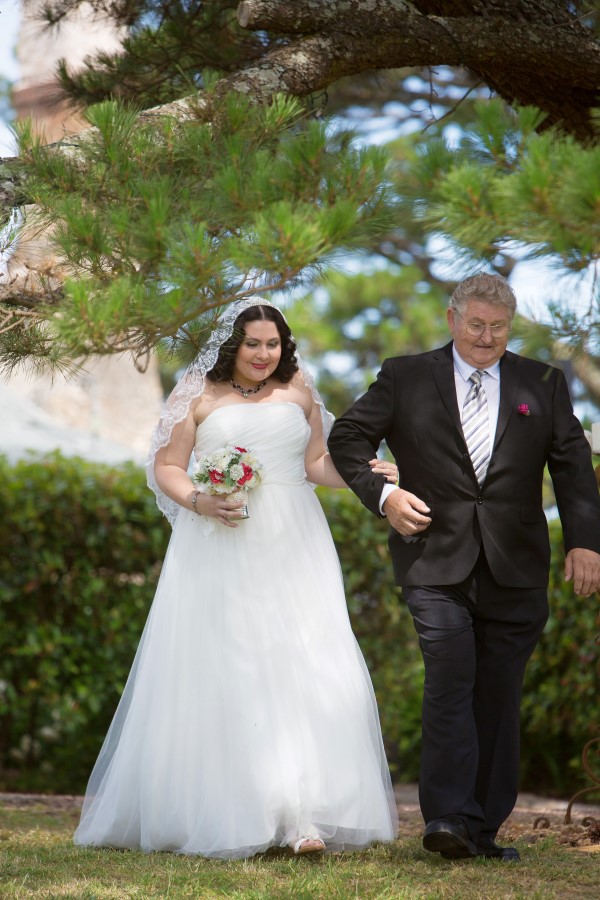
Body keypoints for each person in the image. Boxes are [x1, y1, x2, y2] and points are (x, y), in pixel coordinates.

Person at [74, 298, 399, 859]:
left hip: (295, 537)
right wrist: (200, 501)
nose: (264, 355)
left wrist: (362, 474)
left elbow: (316, 462)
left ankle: (302, 816)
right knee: (229, 662)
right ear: (233, 344)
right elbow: (167, 466)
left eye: (273, 344)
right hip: (221, 539)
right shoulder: (198, 394)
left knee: (306, 657)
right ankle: (230, 807)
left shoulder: (300, 390)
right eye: (254, 344)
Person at [328, 272, 600, 863]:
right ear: (452, 319)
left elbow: (574, 466)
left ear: (511, 327)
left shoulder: (543, 383)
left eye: (498, 328)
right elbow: (346, 437)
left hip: (518, 566)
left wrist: (586, 542)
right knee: (450, 679)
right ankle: (447, 817)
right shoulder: (404, 376)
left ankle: (482, 828)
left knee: (499, 694)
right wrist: (385, 497)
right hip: (432, 559)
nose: (486, 337)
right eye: (475, 325)